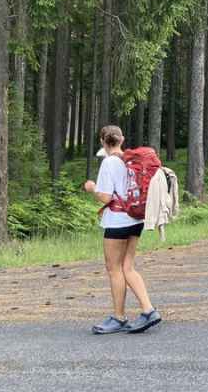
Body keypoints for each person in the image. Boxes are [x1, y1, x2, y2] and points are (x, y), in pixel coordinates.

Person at [82, 125, 161, 335]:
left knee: (114, 268)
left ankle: (119, 317)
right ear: (122, 139)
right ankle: (148, 309)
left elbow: (106, 197)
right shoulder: (130, 160)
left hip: (117, 221)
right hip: (135, 218)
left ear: (102, 141)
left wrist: (92, 188)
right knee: (128, 267)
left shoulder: (109, 162)